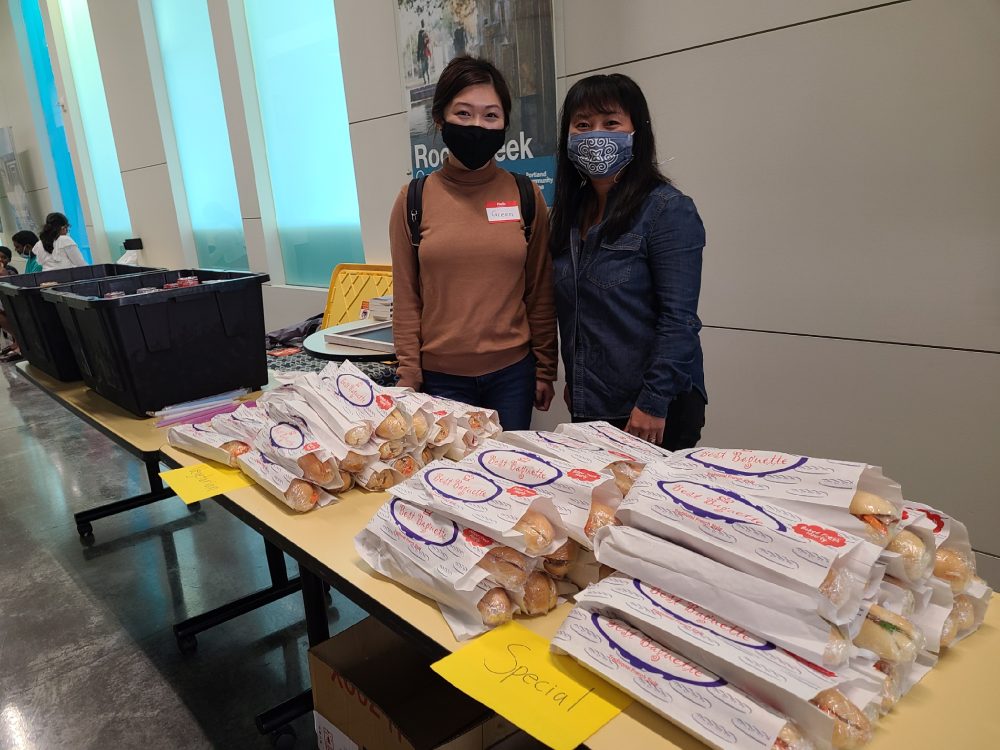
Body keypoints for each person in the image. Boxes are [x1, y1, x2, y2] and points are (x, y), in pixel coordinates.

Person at [390, 55, 557, 431]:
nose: (477, 126)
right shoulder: (413, 200)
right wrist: (408, 376)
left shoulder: (525, 195)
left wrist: (545, 367)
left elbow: (539, 290)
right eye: (463, 114)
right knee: (450, 486)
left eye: (490, 116)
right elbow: (406, 297)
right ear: (440, 119)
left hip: (513, 376)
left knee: (511, 482)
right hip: (440, 381)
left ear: (504, 124)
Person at [549, 74, 707, 450]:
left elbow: (680, 320)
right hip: (592, 401)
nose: (595, 135)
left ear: (637, 130)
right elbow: (577, 312)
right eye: (582, 125)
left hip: (653, 407)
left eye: (611, 123)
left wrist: (652, 403)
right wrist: (577, 383)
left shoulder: (667, 209)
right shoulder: (570, 214)